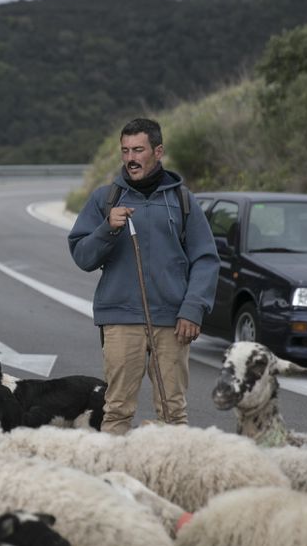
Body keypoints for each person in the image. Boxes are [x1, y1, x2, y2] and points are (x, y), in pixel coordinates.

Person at [68, 118, 220, 432]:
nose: (131, 158)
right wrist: (107, 228)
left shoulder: (182, 200)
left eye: (138, 150)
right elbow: (82, 256)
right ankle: (114, 479)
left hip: (173, 323)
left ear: (158, 151)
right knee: (117, 411)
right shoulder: (104, 199)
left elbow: (205, 260)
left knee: (173, 414)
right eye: (125, 151)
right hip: (120, 319)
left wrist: (193, 309)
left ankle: (170, 478)